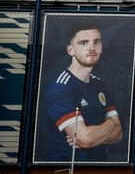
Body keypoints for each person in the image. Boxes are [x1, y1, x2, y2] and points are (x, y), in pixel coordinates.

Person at [37, 22, 123, 162]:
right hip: (64, 171)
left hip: (98, 169)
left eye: (96, 42)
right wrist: (110, 124)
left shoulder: (100, 85)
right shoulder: (60, 88)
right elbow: (86, 139)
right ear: (70, 50)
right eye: (84, 43)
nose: (91, 47)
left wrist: (93, 135)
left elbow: (118, 134)